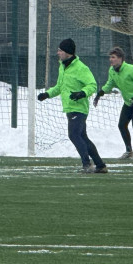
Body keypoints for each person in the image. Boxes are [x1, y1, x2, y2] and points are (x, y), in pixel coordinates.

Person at [38, 38, 107, 173]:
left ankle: (87, 164)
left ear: (68, 52)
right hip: (70, 108)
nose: (57, 53)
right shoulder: (62, 66)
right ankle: (100, 165)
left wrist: (81, 93)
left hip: (79, 108)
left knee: (74, 135)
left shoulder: (81, 68)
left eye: (60, 50)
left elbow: (92, 85)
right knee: (82, 137)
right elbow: (59, 87)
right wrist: (47, 94)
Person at [94, 46, 133, 159]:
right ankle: (129, 151)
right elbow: (110, 84)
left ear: (120, 59)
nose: (111, 59)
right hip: (128, 101)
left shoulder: (132, 69)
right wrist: (100, 93)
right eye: (110, 57)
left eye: (113, 57)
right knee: (121, 125)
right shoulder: (112, 70)